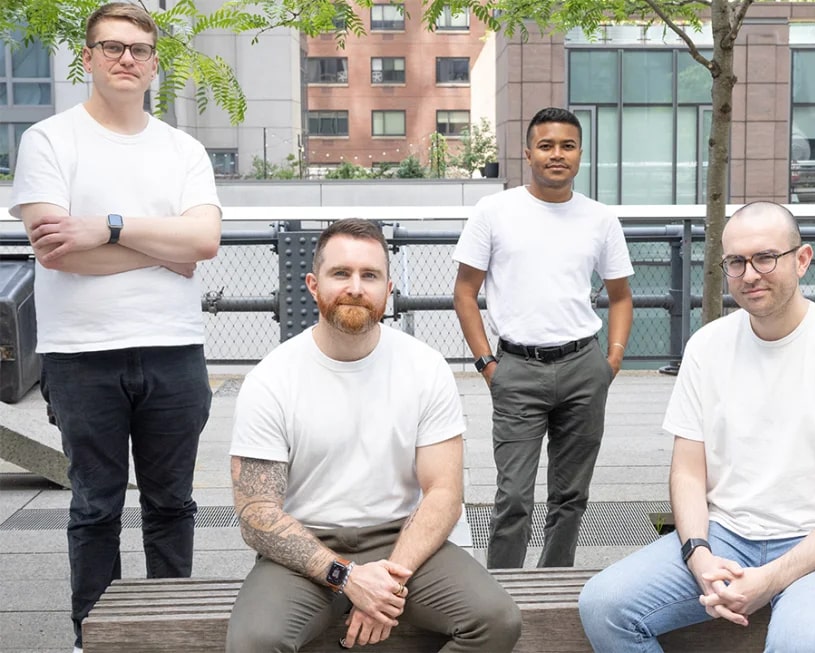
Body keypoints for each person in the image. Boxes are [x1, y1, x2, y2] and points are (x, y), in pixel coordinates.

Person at [578, 201, 815, 652]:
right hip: (727, 535)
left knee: (799, 646)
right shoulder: (707, 346)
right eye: (736, 262)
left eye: (766, 257)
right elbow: (688, 472)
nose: (750, 274)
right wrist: (699, 554)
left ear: (802, 260)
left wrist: (770, 579)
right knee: (604, 605)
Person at [8, 3, 222, 650]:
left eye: (138, 49)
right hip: (81, 355)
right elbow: (55, 250)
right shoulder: (49, 140)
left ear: (156, 63)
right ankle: (93, 637)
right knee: (94, 508)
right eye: (111, 47)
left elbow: (206, 240)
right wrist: (166, 249)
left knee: (172, 506)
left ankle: (169, 631)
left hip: (174, 352)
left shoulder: (182, 149)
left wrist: (108, 225)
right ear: (88, 58)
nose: (126, 58)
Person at [227, 218, 521, 652]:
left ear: (388, 287)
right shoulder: (273, 378)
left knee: (496, 620)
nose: (356, 287)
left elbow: (443, 492)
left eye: (370, 275)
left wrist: (386, 582)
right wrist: (347, 577)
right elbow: (257, 513)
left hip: (402, 538)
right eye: (340, 273)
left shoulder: (424, 367)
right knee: (254, 642)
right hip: (307, 545)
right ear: (312, 284)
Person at [452, 107, 635, 569]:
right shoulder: (494, 211)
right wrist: (486, 364)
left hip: (583, 366)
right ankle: (502, 594)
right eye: (547, 145)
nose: (558, 154)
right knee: (513, 496)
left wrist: (610, 360)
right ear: (528, 151)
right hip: (516, 368)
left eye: (568, 146)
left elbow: (621, 296)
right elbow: (465, 292)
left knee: (571, 496)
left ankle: (554, 586)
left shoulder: (599, 218)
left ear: (579, 154)